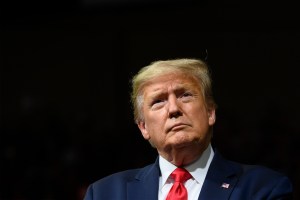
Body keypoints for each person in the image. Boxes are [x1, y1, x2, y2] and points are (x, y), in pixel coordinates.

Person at [83, 58, 293, 200]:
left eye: (185, 95)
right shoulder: (104, 193)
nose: (174, 108)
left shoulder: (263, 189)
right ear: (143, 127)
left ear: (210, 112)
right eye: (158, 101)